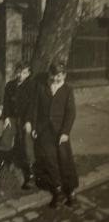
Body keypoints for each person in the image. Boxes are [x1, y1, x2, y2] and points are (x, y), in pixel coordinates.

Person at [32, 61, 79, 207]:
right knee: (49, 159)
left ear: (64, 75)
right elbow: (35, 109)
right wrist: (35, 127)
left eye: (59, 75)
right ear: (49, 74)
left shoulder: (67, 90)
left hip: (60, 131)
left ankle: (70, 191)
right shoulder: (42, 87)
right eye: (53, 75)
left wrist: (65, 132)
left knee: (64, 159)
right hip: (45, 130)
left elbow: (71, 113)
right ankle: (57, 189)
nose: (55, 78)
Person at [0, 61, 36, 189]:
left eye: (23, 73)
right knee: (4, 139)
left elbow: (32, 106)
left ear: (28, 74)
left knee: (27, 143)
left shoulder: (31, 86)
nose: (20, 75)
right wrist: (5, 117)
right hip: (11, 118)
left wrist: (28, 121)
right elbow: (6, 103)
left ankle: (30, 175)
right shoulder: (10, 85)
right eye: (18, 71)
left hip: (24, 119)